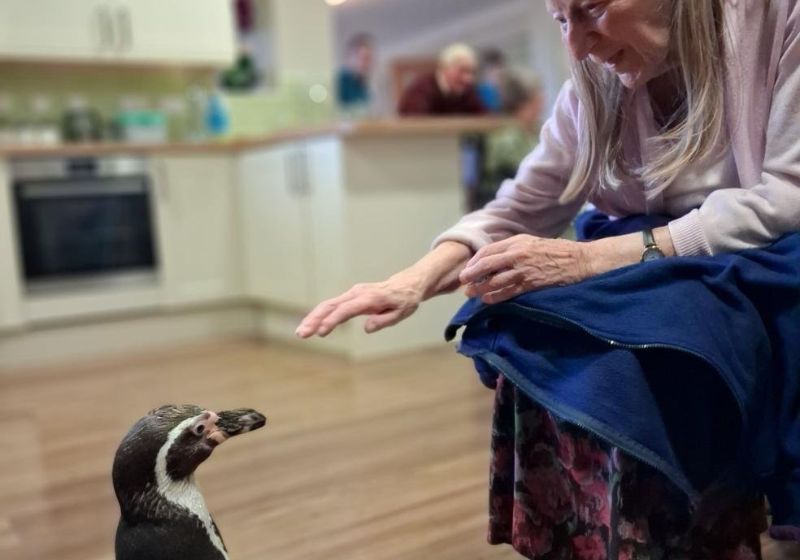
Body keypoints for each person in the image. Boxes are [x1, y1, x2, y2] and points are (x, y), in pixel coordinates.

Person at [297, 1, 800, 558]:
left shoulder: (779, 18)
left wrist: (589, 260)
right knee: (531, 331)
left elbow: (786, 194)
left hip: (762, 252)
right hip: (650, 256)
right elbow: (518, 207)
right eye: (562, 21)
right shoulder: (592, 83)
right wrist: (413, 280)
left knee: (634, 361)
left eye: (592, 10)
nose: (578, 46)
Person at [397, 43, 486, 116]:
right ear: (444, 68)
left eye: (472, 72)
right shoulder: (421, 89)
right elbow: (415, 124)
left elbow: (485, 120)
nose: (468, 79)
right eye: (462, 71)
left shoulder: (468, 91)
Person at [336, 34, 374, 112]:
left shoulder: (362, 83)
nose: (368, 63)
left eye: (370, 59)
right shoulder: (339, 81)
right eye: (364, 58)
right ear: (349, 57)